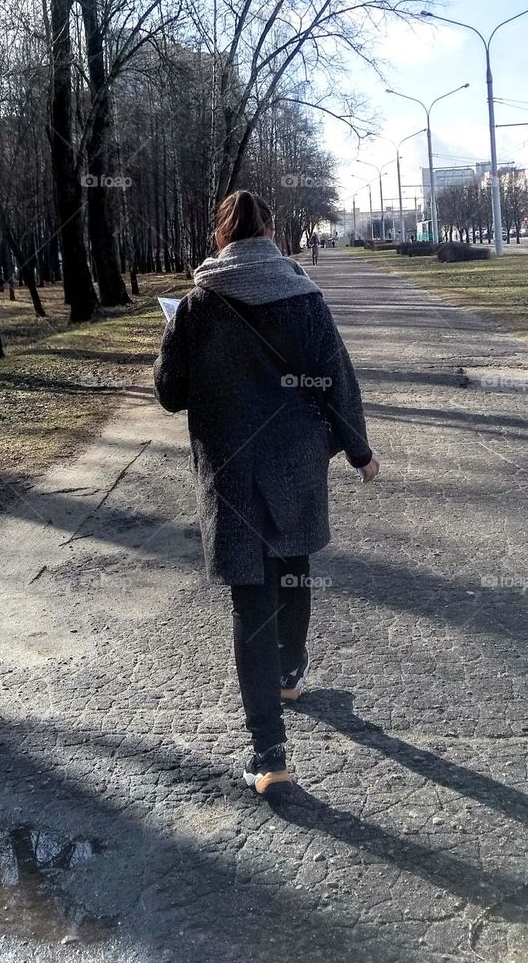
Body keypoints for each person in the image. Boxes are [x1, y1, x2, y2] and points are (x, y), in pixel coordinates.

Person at [154, 191, 379, 798]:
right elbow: (338, 377)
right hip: (296, 463)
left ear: (221, 237)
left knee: (251, 604)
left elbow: (171, 392)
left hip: (231, 472)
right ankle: (289, 669)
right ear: (271, 233)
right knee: (295, 567)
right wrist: (359, 451)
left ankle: (269, 754)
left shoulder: (199, 305)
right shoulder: (304, 295)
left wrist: (171, 334)